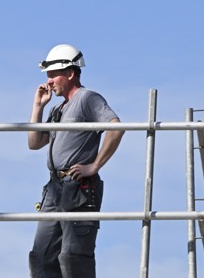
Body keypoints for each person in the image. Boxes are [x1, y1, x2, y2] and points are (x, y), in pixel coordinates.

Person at [28, 44, 124, 278]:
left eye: (53, 75)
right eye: (48, 76)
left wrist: (95, 165)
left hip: (77, 187)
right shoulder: (58, 110)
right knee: (41, 256)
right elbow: (34, 142)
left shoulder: (87, 98)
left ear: (70, 74)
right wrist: (38, 106)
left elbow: (116, 127)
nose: (49, 81)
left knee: (73, 257)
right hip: (54, 189)